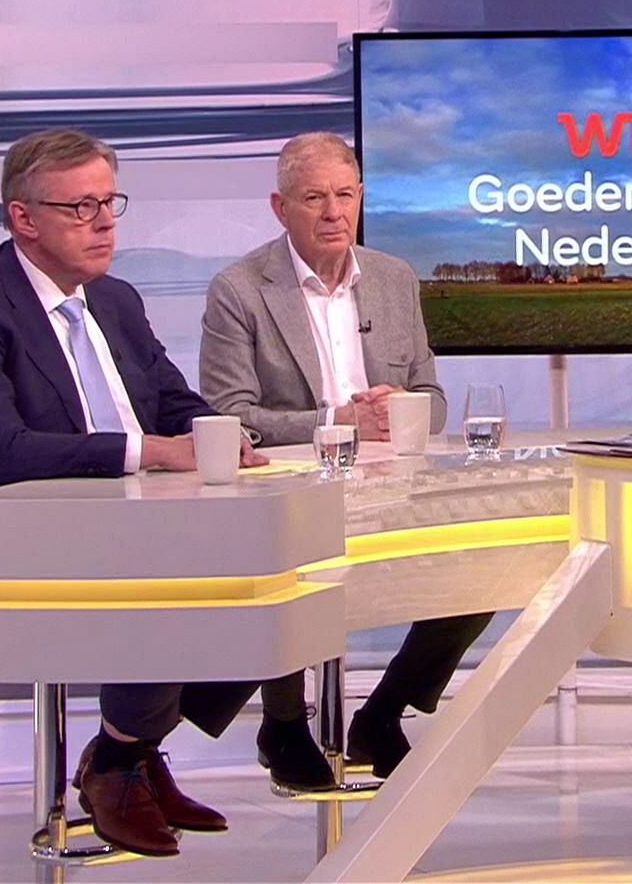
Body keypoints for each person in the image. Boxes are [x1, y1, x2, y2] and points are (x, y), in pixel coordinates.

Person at [0, 128, 266, 860]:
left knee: (272, 572)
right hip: (12, 550)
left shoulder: (116, 300)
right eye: (80, 208)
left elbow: (171, 400)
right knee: (175, 578)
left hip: (132, 526)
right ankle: (123, 761)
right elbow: (3, 452)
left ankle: (127, 751)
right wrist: (151, 451)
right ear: (23, 219)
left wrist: (222, 437)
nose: (103, 224)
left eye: (109, 203)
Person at [199, 131, 492, 790]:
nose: (333, 213)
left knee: (483, 558)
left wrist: (401, 409)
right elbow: (230, 416)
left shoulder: (393, 278)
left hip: (391, 491)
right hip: (291, 496)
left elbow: (433, 400)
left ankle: (383, 713)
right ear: (280, 207)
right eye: (314, 199)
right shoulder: (239, 290)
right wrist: (337, 423)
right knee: (281, 555)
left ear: (360, 197)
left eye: (344, 196)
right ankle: (283, 724)